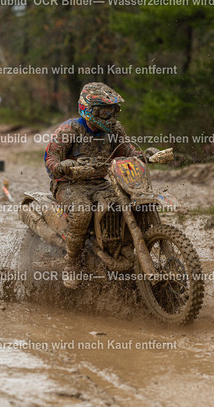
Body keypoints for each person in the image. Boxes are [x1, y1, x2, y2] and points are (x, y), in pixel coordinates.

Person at [44, 82, 156, 289]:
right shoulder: (70, 129)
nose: (110, 116)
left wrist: (146, 155)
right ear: (90, 109)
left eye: (112, 110)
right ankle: (71, 262)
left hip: (101, 182)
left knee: (129, 204)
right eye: (104, 111)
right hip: (69, 184)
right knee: (82, 211)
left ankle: (127, 248)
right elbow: (50, 157)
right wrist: (61, 167)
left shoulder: (114, 129)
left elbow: (127, 151)